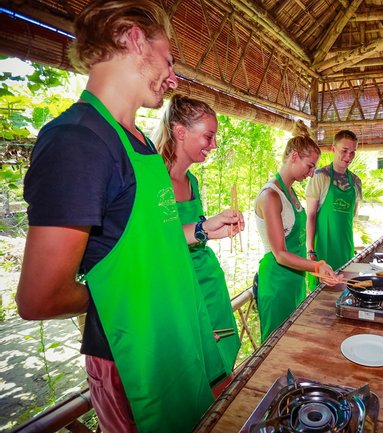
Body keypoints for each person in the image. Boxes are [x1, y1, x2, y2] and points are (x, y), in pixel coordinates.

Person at [15, 2, 231, 432]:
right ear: (132, 38)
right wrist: (124, 295)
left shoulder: (141, 146)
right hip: (129, 352)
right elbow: (39, 298)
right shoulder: (78, 141)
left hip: (171, 336)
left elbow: (143, 242)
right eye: (168, 60)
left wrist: (199, 231)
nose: (172, 78)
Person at [153, 94, 243, 378]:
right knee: (193, 373)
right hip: (176, 288)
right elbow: (153, 240)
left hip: (207, 282)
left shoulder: (191, 180)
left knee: (221, 366)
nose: (214, 145)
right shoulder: (153, 178)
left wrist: (212, 231)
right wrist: (204, 228)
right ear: (180, 132)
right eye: (208, 136)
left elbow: (191, 233)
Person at [254, 121, 340, 342]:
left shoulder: (290, 192)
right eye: (309, 166)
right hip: (276, 280)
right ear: (293, 156)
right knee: (273, 345)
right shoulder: (270, 196)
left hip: (294, 279)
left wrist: (311, 266)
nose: (311, 174)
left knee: (291, 340)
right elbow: (280, 254)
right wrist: (317, 266)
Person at [305, 130, 362, 289]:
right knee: (318, 300)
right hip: (322, 251)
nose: (348, 156)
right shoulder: (320, 176)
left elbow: (351, 218)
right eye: (344, 150)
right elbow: (310, 216)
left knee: (344, 292)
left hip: (346, 250)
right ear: (333, 149)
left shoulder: (356, 182)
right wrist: (310, 251)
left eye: (352, 152)